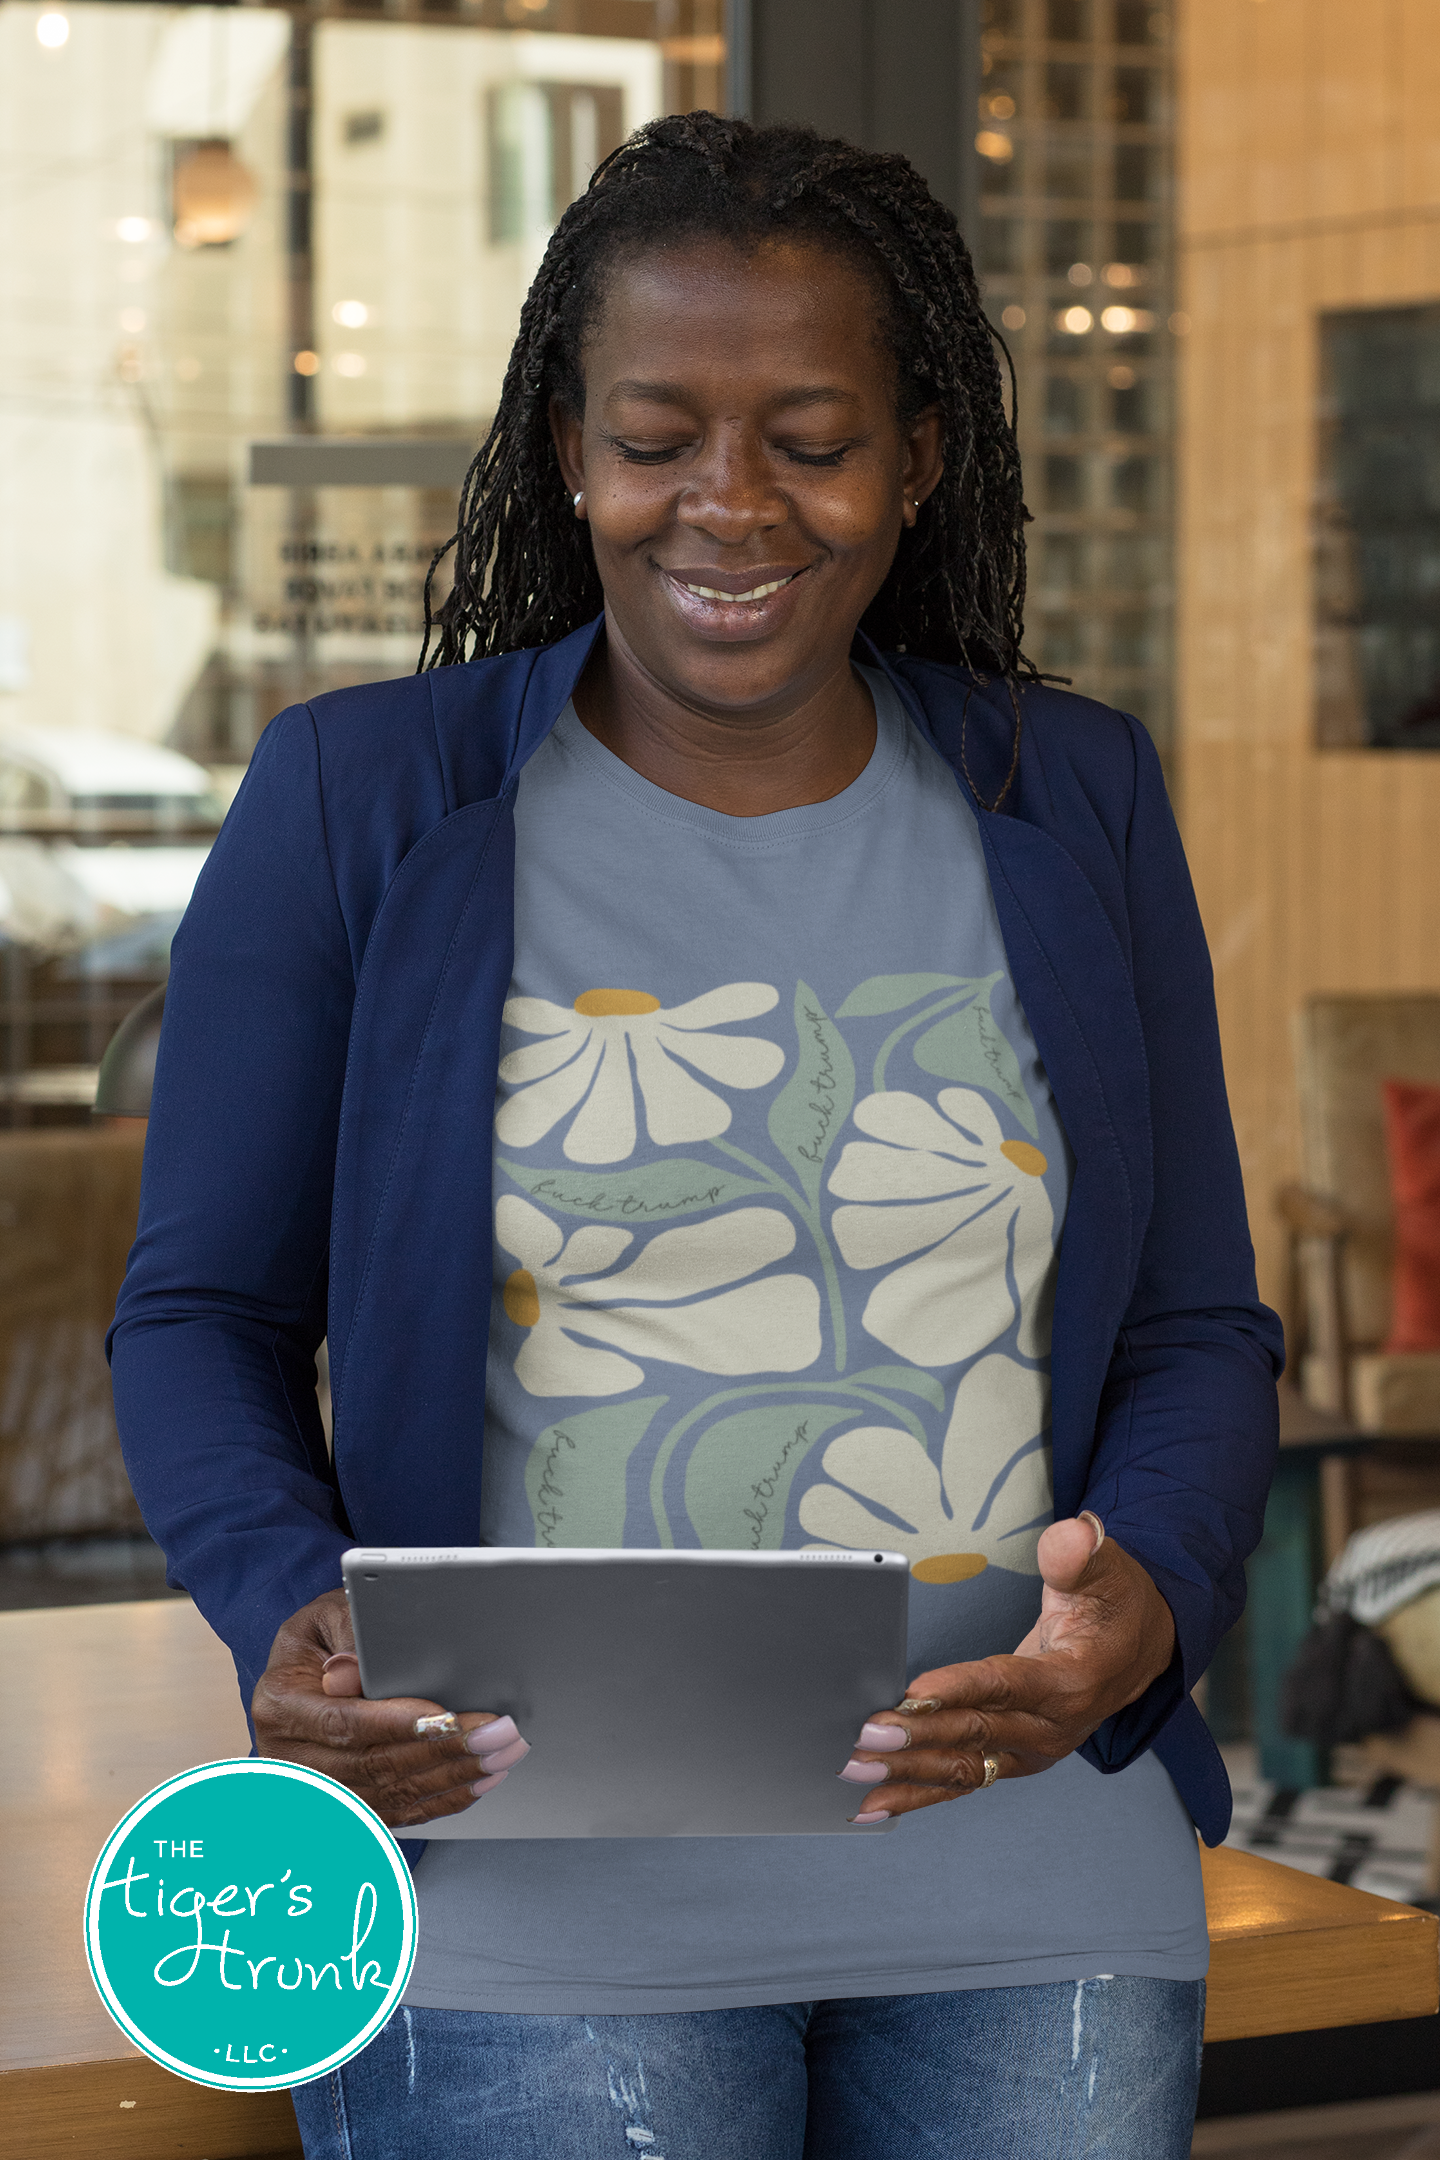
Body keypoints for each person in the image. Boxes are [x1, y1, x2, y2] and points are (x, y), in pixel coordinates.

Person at [110, 114, 1282, 2158]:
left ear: (916, 462)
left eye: (809, 437)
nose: (726, 503)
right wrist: (285, 1597)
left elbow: (1195, 1326)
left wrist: (1151, 1599)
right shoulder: (359, 804)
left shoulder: (1070, 794)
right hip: (511, 1904)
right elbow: (201, 1310)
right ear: (571, 448)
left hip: (1030, 1884)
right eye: (658, 434)